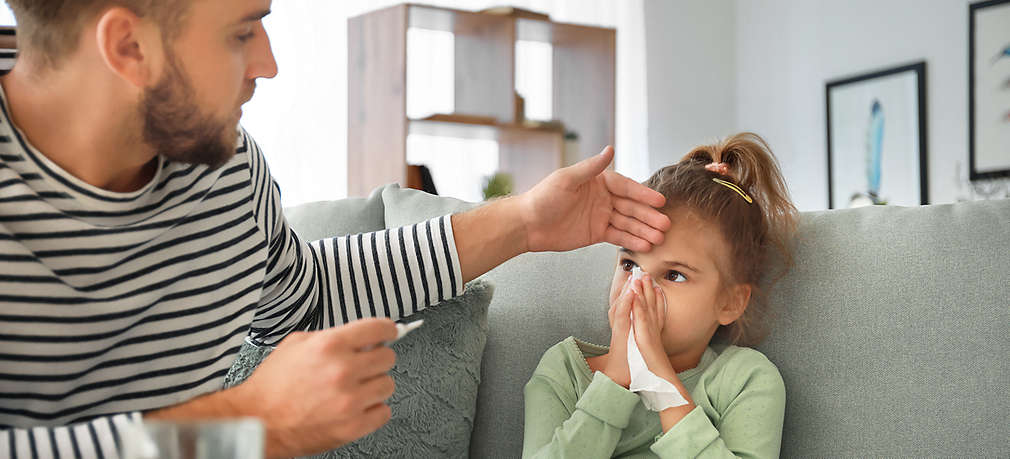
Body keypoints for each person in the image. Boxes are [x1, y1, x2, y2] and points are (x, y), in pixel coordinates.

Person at [0, 0, 673, 457]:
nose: (267, 64)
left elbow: (306, 294)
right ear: (128, 46)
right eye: (241, 31)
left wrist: (524, 221)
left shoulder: (225, 171)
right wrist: (245, 425)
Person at [522, 133, 798, 458]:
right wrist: (615, 380)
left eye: (674, 275)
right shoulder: (566, 370)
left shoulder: (745, 380)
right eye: (629, 263)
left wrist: (662, 386)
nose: (638, 288)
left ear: (730, 302)